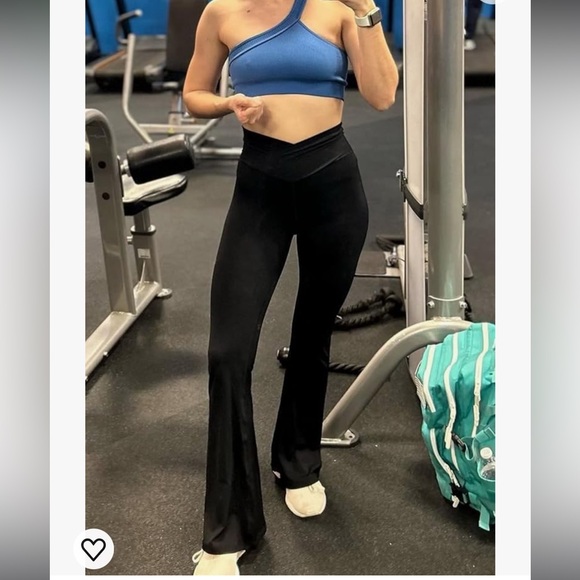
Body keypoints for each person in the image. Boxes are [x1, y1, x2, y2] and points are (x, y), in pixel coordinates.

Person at [182, 0, 399, 574]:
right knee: (228, 352)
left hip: (333, 185)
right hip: (260, 188)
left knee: (312, 333)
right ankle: (228, 529)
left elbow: (382, 95)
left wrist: (368, 11)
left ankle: (297, 462)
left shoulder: (338, 10)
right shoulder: (221, 12)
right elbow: (194, 93)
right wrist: (227, 104)